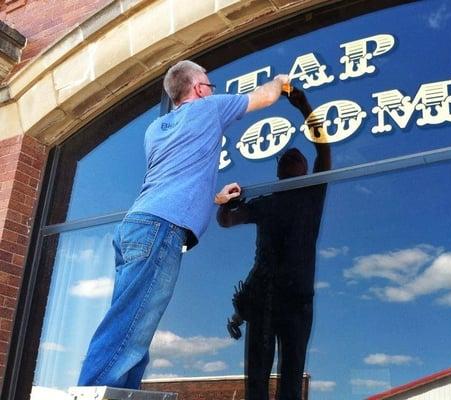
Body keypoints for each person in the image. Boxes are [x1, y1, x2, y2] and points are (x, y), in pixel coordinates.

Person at [77, 60, 290, 389]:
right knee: (128, 328)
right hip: (160, 228)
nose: (211, 90)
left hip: (137, 227)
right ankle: (92, 394)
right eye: (209, 84)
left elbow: (175, 179)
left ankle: (120, 393)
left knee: (134, 327)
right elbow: (265, 97)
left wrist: (215, 198)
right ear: (200, 89)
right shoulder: (208, 109)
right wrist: (279, 80)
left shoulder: (155, 130)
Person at [217, 88, 331, 400]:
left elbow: (324, 151)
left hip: (296, 301)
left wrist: (305, 107)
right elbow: (226, 221)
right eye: (286, 158)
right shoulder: (267, 203)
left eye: (298, 157)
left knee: (291, 382)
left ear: (305, 171)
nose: (292, 157)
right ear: (279, 172)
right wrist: (226, 203)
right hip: (264, 300)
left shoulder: (311, 197)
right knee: (256, 380)